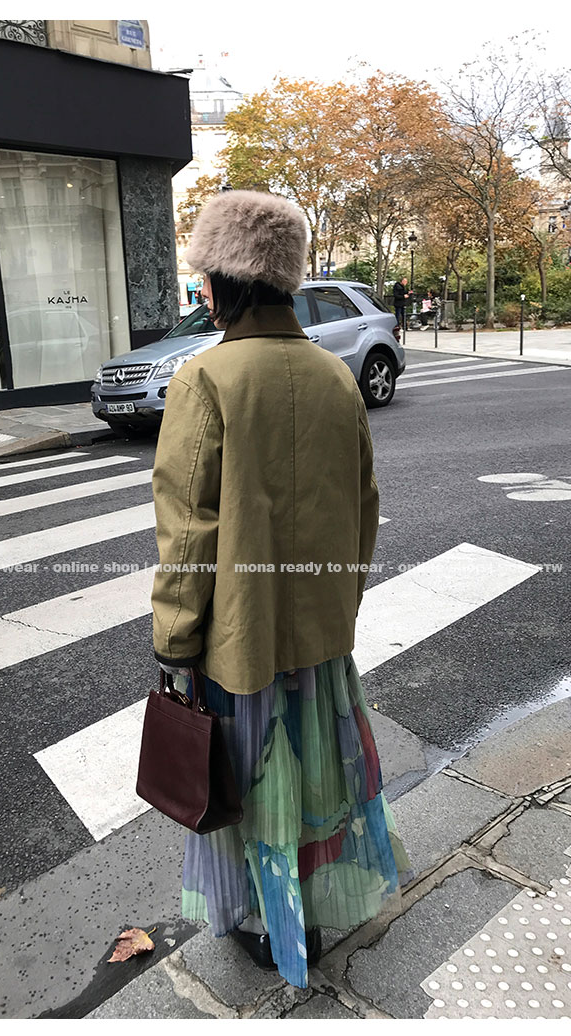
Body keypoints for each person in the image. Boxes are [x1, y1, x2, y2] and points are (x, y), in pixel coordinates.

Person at [150, 190, 412, 989]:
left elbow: (189, 530)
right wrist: (340, 604)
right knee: (318, 783)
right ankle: (315, 912)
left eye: (206, 279)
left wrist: (174, 639)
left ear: (224, 283)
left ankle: (269, 925)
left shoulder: (206, 379)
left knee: (250, 788)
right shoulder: (335, 378)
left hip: (240, 644)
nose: (204, 292)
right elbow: (363, 508)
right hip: (321, 640)